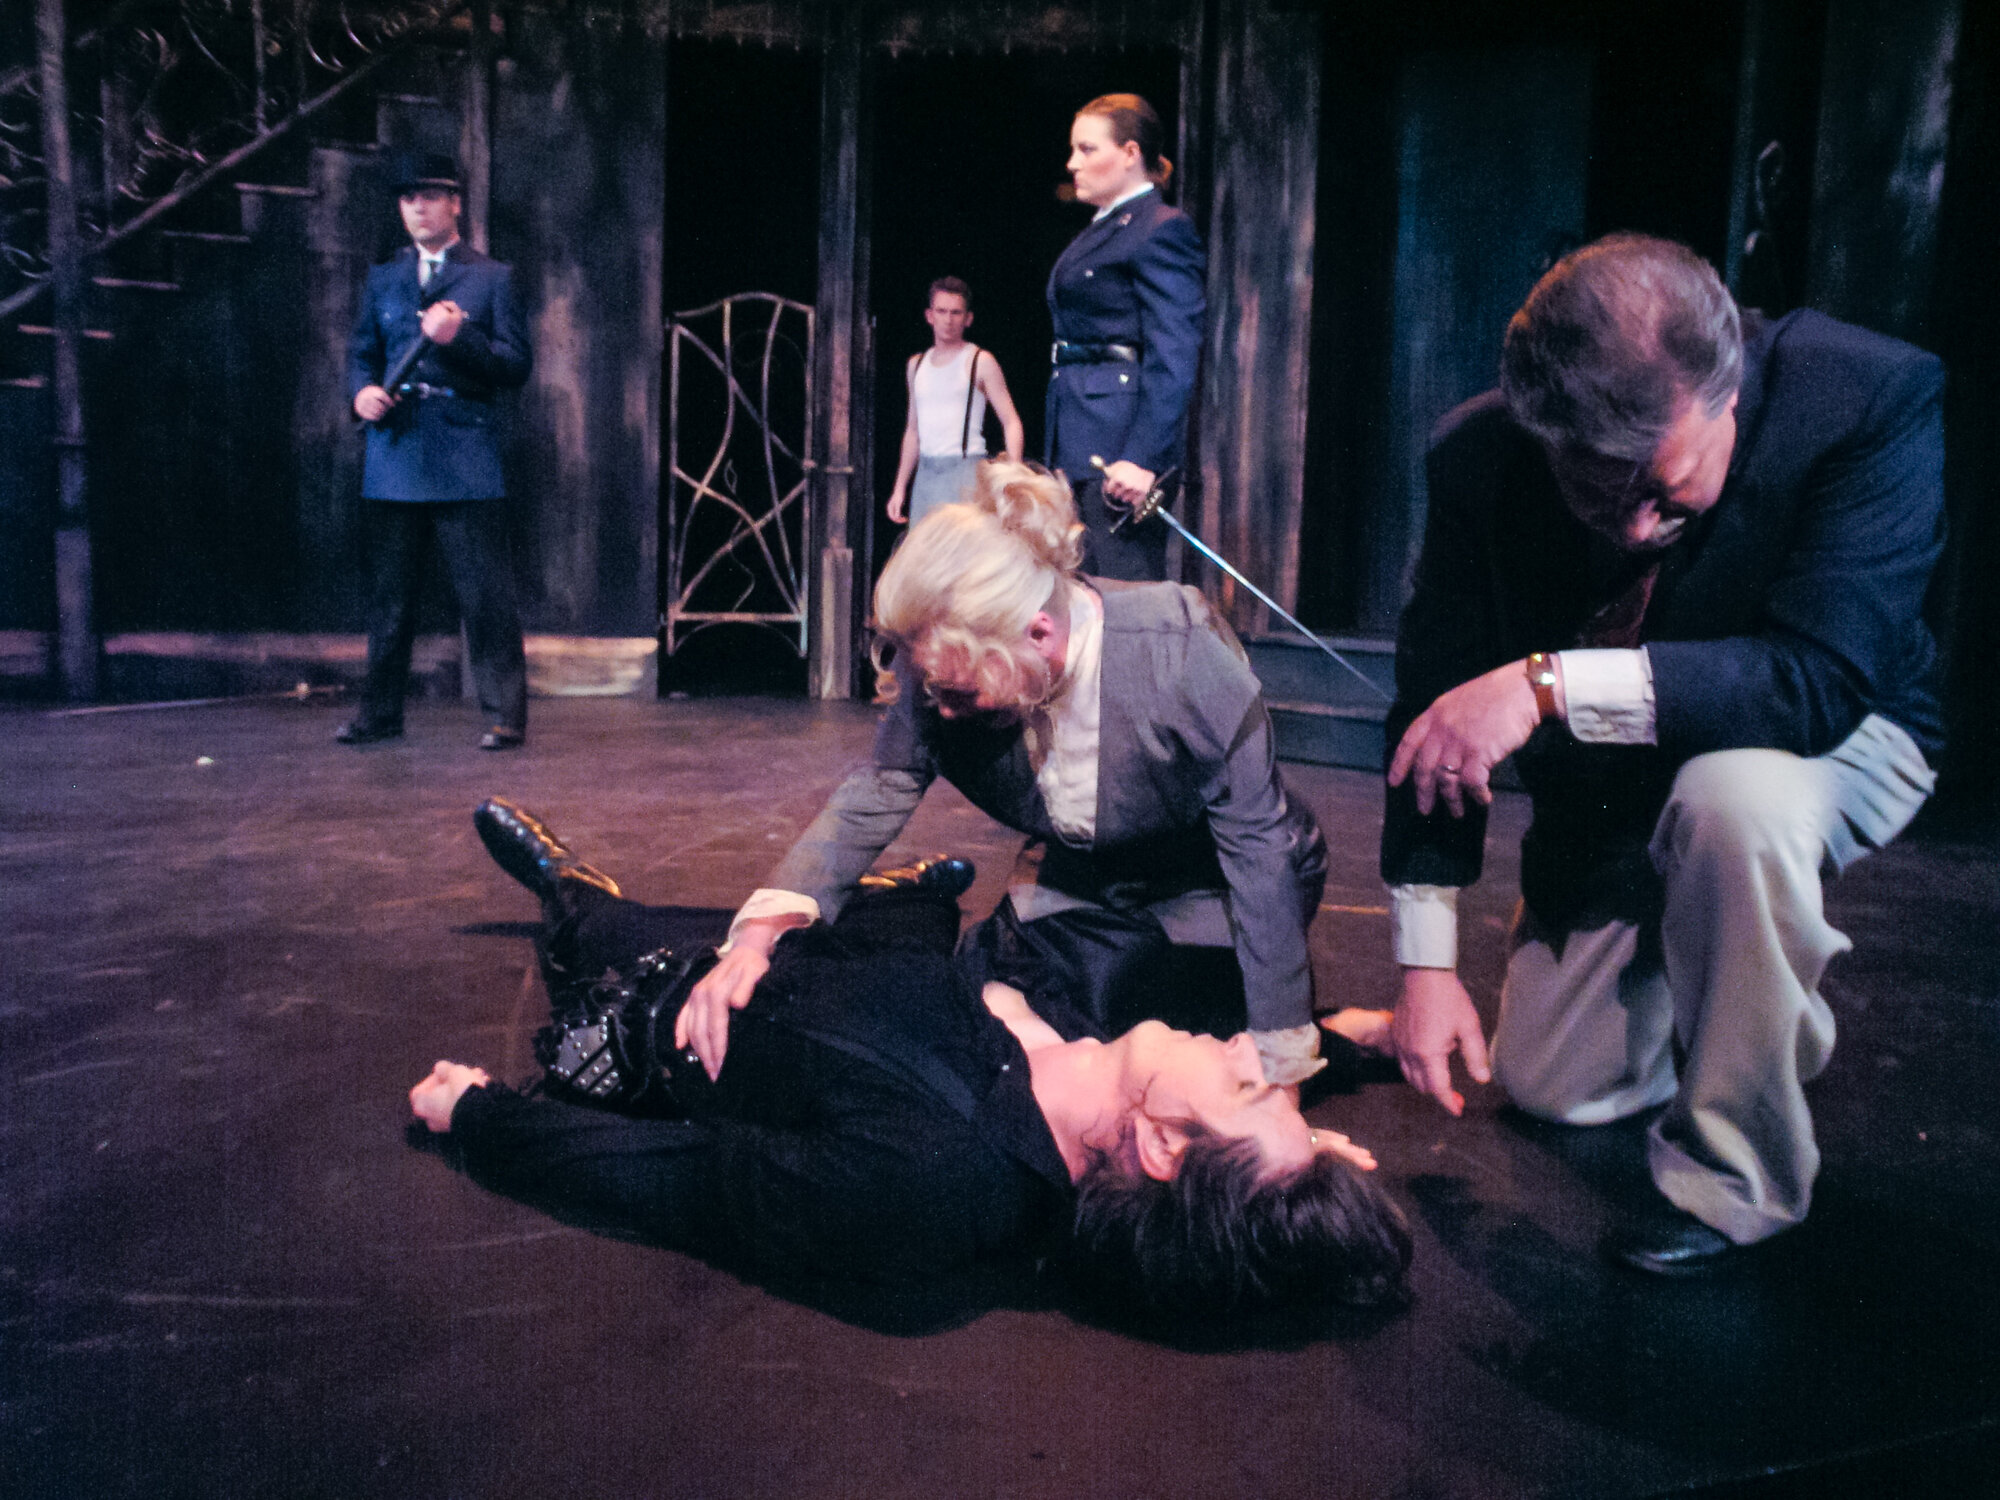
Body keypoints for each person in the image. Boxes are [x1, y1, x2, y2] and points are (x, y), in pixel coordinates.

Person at [1377, 233, 1944, 1275]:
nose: (1636, 529)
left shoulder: (1865, 396)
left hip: (1839, 732)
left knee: (1732, 804)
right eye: (1599, 494)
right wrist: (1425, 963)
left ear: (1729, 393)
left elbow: (1816, 680)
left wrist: (1545, 683)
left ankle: (1736, 1180)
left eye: (1666, 492)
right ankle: (1745, 1004)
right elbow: (1434, 709)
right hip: (1621, 786)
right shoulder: (1478, 456)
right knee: (1552, 1086)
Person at [406, 799, 1411, 1317]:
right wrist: (1347, 1052)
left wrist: (485, 1120)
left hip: (674, 1011)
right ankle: (905, 895)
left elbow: (685, 1184)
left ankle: (567, 882)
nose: (1243, 1047)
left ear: (1159, 1147)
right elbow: (1247, 1072)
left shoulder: (933, 1177)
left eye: (1247, 1086)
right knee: (899, 914)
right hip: (847, 951)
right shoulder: (1102, 1043)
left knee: (588, 925)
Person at [685, 460, 1332, 1090]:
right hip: (1088, 874)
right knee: (979, 1021)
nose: (940, 712)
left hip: (1208, 877)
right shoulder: (945, 654)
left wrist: (1282, 1054)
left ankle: (1338, 1034)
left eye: (960, 695)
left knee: (1144, 1043)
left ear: (1039, 635)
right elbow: (882, 783)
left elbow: (1258, 845)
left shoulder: (1182, 652)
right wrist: (760, 933)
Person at [338, 150, 533, 751]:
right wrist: (362, 392)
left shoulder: (491, 278)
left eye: (430, 196)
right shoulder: (384, 277)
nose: (418, 208)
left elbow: (515, 366)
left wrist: (460, 336)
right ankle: (379, 715)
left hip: (462, 451)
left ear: (455, 204)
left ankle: (504, 716)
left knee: (485, 596)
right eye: (408, 198)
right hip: (395, 451)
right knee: (390, 599)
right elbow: (362, 353)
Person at [1045, 93, 1205, 582]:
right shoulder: (1104, 228)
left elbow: (1174, 351)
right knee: (1081, 589)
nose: (1073, 163)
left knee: (1122, 591)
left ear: (1131, 153)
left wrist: (1142, 457)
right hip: (1081, 431)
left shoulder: (1160, 228)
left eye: (1087, 149)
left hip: (1119, 444)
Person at [886, 277, 1026, 529]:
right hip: (926, 473)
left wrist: (1013, 474)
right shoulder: (916, 365)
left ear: (968, 318)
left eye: (955, 312)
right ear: (929, 316)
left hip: (965, 468)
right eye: (941, 311)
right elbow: (913, 431)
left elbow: (1011, 420)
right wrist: (899, 488)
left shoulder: (979, 361)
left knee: (963, 547)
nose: (948, 320)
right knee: (923, 548)